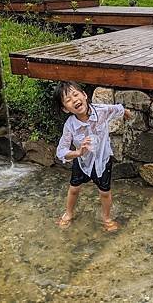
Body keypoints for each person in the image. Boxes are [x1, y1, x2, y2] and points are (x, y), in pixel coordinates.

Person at [54, 81, 131, 232]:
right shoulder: (70, 125)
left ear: (84, 95)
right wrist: (78, 152)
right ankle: (69, 213)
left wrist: (126, 112)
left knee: (104, 192)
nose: (74, 100)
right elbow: (61, 150)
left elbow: (116, 109)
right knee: (74, 189)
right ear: (65, 109)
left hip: (102, 159)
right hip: (82, 161)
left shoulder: (101, 111)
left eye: (76, 95)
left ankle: (107, 218)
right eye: (68, 100)